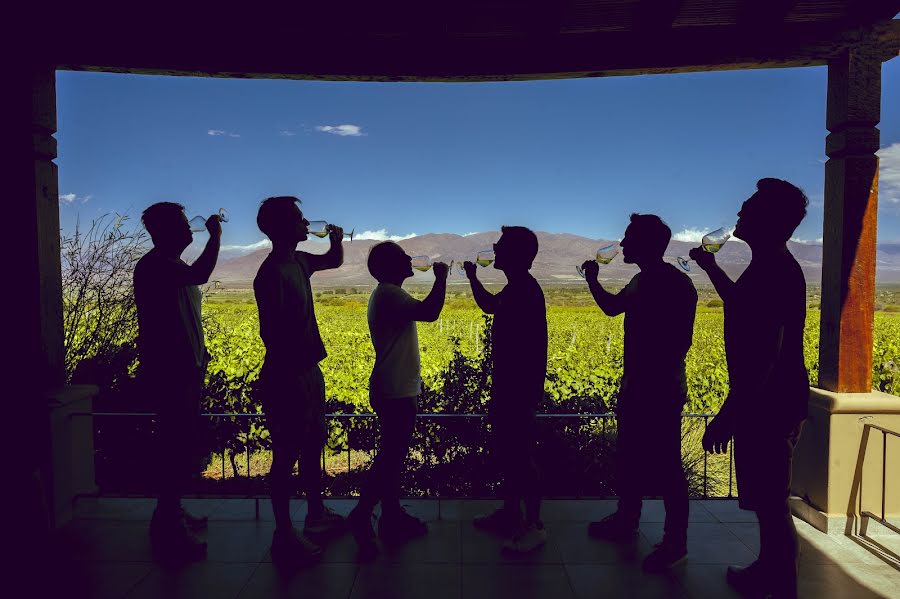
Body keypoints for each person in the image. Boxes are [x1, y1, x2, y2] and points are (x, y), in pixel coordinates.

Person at [692, 179, 809, 598]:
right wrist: (711, 269)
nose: (740, 211)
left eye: (749, 207)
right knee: (767, 501)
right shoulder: (768, 266)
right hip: (772, 401)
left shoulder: (776, 269)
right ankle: (769, 572)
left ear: (769, 220)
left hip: (769, 404)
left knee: (773, 506)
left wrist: (727, 416)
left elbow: (765, 358)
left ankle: (781, 586)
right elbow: (741, 302)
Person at [581, 214, 697, 572]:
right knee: (632, 458)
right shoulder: (647, 281)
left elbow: (677, 343)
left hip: (656, 393)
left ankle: (674, 542)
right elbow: (613, 308)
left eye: (629, 238)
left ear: (647, 244)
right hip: (642, 390)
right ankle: (627, 519)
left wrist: (592, 280)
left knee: (666, 468)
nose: (624, 244)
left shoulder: (668, 284)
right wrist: (592, 280)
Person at [253, 196, 346, 564]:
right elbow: (270, 334)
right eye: (298, 218)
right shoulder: (271, 273)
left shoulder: (300, 261)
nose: (305, 223)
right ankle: (284, 535)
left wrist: (336, 240)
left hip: (308, 370)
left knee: (311, 447)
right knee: (286, 455)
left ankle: (316, 514)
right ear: (280, 227)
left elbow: (333, 260)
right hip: (288, 374)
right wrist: (294, 372)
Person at [347, 243, 449, 555]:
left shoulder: (386, 293)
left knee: (391, 459)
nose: (409, 259)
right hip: (395, 391)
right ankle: (362, 514)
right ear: (391, 266)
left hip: (394, 387)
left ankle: (391, 518)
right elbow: (430, 313)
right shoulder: (389, 293)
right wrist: (441, 277)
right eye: (403, 256)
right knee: (390, 459)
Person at [134, 202, 221, 561]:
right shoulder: (156, 266)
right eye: (184, 225)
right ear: (165, 231)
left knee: (178, 444)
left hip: (185, 369)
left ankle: (170, 511)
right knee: (173, 447)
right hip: (171, 373)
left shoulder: (172, 266)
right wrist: (215, 238)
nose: (190, 231)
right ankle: (169, 526)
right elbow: (202, 274)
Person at [463, 226, 548, 553]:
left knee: (520, 455)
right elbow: (490, 304)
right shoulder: (520, 288)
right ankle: (512, 512)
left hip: (517, 390)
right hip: (512, 388)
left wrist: (472, 277)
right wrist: (472, 278)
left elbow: (489, 306)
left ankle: (535, 525)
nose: (494, 250)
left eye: (499, 246)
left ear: (513, 254)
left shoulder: (523, 290)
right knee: (511, 453)